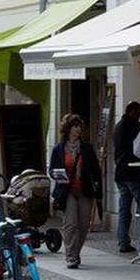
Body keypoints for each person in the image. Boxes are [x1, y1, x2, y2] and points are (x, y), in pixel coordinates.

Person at [49, 114, 102, 270]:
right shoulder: (59, 149)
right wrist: (57, 175)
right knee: (70, 224)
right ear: (68, 128)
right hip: (68, 191)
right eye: (75, 126)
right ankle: (71, 256)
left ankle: (75, 252)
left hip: (85, 190)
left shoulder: (86, 148)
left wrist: (97, 188)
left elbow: (95, 169)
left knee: (84, 225)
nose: (79, 129)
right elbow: (52, 169)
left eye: (80, 126)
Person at [112, 101, 140, 254]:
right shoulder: (135, 128)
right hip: (133, 172)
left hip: (120, 173)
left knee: (124, 209)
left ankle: (123, 241)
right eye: (139, 112)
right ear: (132, 111)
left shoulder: (118, 127)